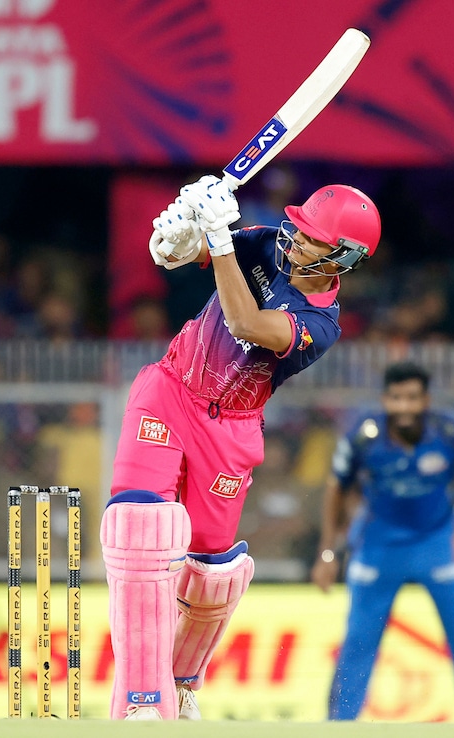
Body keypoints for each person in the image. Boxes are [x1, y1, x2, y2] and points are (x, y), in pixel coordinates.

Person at [100, 175, 381, 720]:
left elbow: (245, 322)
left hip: (231, 428)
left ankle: (181, 683)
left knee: (212, 575)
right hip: (171, 388)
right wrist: (180, 232)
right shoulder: (267, 242)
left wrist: (218, 238)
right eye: (299, 227)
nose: (296, 240)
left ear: (343, 257)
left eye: (312, 238)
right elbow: (178, 256)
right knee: (139, 529)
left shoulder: (320, 324)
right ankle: (140, 700)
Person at [311, 362, 454, 722]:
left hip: (438, 541)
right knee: (358, 641)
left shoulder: (451, 429)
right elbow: (336, 485)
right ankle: (339, 725)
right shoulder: (363, 436)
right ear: (385, 400)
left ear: (426, 400)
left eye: (413, 398)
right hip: (378, 544)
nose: (404, 407)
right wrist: (327, 552)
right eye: (396, 398)